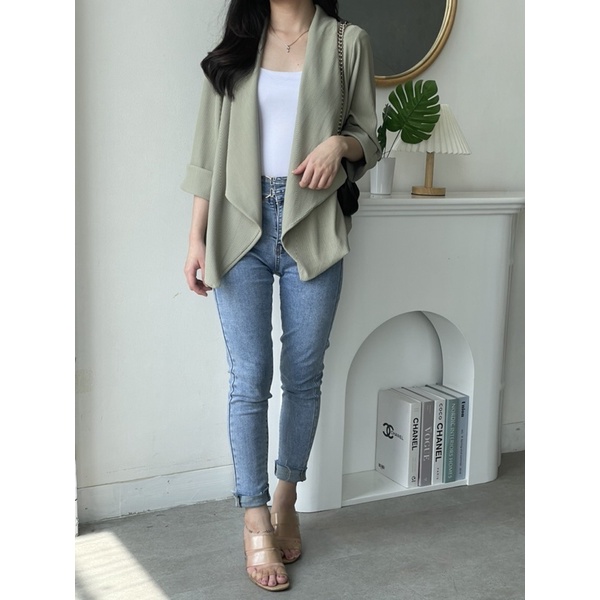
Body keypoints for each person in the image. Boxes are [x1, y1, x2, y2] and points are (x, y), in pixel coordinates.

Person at [182, 0, 379, 591]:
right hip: (237, 222)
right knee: (249, 378)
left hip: (311, 221)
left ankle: (286, 499)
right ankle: (254, 518)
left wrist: (338, 146)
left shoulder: (346, 42)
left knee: (303, 374)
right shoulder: (236, 47)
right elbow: (207, 155)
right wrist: (195, 239)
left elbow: (368, 136)